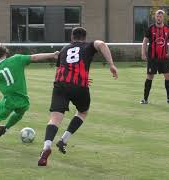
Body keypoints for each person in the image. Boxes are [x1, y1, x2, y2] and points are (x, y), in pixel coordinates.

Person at [37, 27, 118, 166]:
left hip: (60, 84)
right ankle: (63, 140)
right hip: (79, 86)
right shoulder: (88, 45)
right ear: (85, 38)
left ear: (71, 38)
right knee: (82, 112)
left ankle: (46, 147)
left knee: (55, 118)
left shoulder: (64, 49)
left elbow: (61, 68)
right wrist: (111, 64)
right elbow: (102, 44)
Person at [0, 46, 59, 153]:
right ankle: (6, 127)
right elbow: (34, 57)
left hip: (9, 102)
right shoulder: (17, 59)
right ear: (6, 53)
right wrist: (53, 55)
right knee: (19, 113)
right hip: (24, 100)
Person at [140, 10, 169, 104]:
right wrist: (143, 53)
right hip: (152, 58)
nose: (159, 18)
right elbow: (145, 41)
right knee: (150, 76)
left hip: (164, 58)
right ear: (155, 17)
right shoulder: (150, 28)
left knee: (168, 76)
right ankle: (145, 99)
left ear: (163, 18)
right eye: (157, 16)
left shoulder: (167, 29)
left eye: (160, 16)